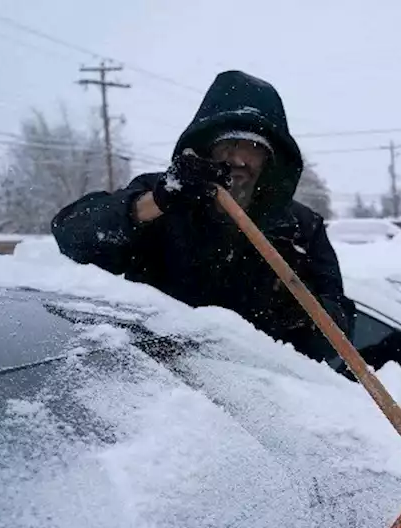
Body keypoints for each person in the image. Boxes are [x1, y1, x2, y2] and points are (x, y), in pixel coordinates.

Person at [51, 70, 354, 362]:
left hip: (263, 395)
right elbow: (72, 236)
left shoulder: (301, 228)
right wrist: (154, 203)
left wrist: (302, 312)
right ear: (206, 148)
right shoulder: (161, 198)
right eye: (228, 144)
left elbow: (340, 333)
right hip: (164, 392)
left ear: (270, 159)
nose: (237, 158)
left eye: (251, 147)